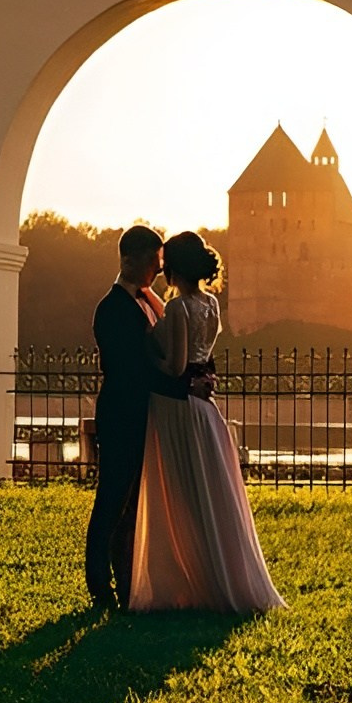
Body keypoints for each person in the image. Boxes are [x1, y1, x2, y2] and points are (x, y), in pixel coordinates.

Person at [129, 230, 285, 614]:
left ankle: (188, 576)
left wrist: (144, 354)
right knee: (207, 495)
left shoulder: (181, 309)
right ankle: (208, 572)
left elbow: (176, 366)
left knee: (180, 495)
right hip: (204, 407)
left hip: (176, 407)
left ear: (173, 268)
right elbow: (199, 355)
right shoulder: (211, 304)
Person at [86, 225, 184, 609]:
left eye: (159, 263)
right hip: (121, 413)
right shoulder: (111, 308)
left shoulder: (147, 301)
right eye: (151, 261)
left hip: (142, 413)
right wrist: (179, 386)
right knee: (112, 499)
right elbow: (131, 367)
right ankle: (100, 584)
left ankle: (126, 583)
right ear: (128, 259)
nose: (157, 271)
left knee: (132, 505)